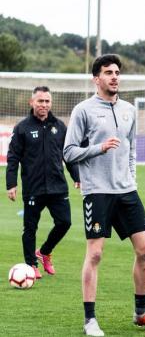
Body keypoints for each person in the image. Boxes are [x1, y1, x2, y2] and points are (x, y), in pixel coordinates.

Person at [64, 54, 145, 336]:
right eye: (108, 72)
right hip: (97, 192)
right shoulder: (83, 110)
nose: (114, 77)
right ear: (96, 78)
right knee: (95, 254)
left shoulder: (129, 110)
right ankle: (90, 320)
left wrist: (131, 178)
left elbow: (131, 150)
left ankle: (141, 312)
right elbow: (69, 152)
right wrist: (98, 148)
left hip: (126, 190)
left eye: (117, 72)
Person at [5, 86, 80, 280]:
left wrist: (77, 177)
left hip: (57, 186)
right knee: (30, 228)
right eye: (40, 101)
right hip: (33, 188)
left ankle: (45, 251)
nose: (44, 105)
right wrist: (11, 184)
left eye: (47, 101)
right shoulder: (22, 128)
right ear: (32, 102)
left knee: (65, 222)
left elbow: (68, 156)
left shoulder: (60, 126)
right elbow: (13, 157)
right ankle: (31, 264)